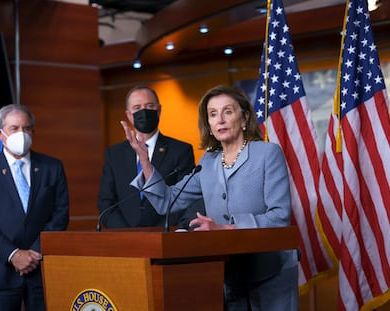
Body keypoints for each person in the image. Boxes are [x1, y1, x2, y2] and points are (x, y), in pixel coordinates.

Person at [121, 85, 299, 311]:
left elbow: (279, 217)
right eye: (213, 114)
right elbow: (168, 200)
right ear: (209, 124)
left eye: (228, 111)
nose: (220, 120)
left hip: (270, 272)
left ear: (244, 118)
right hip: (228, 273)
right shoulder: (208, 161)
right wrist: (145, 161)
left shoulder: (267, 154)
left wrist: (225, 229)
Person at [0, 104, 69, 311]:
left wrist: (34, 253)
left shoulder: (52, 167)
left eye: (27, 128)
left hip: (42, 269)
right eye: (14, 128)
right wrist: (13, 254)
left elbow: (60, 214)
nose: (22, 133)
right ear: (0, 134)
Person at [98, 85, 204, 229]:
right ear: (129, 115)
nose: (144, 112)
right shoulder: (114, 153)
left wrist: (166, 230)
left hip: (165, 234)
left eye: (149, 106)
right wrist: (125, 233)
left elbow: (184, 199)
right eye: (137, 108)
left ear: (159, 110)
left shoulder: (180, 150)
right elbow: (106, 202)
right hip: (124, 237)